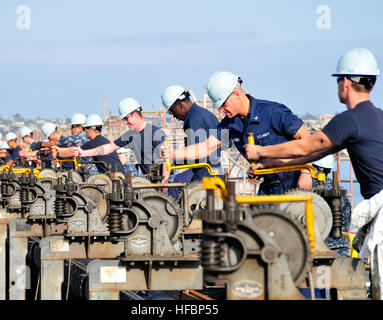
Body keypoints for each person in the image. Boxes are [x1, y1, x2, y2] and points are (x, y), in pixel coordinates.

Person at [244, 48, 383, 299]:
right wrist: (270, 165)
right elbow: (312, 155)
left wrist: (260, 151)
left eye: (338, 81)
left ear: (345, 83)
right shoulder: (377, 117)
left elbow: (305, 145)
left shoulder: (349, 120)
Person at [161, 71, 313, 195]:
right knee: (252, 227)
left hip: (295, 181)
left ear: (236, 94)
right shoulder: (229, 124)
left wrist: (306, 172)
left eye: (223, 104)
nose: (221, 110)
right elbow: (206, 148)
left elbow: (306, 138)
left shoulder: (272, 111)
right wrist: (172, 154)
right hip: (270, 185)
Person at [74, 99, 168, 182]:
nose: (125, 122)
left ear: (135, 115)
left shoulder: (155, 133)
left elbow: (167, 160)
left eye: (126, 119)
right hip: (149, 181)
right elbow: (108, 148)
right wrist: (83, 153)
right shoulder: (131, 135)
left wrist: (164, 184)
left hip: (161, 181)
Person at [161, 85, 223, 199]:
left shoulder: (195, 119)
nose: (174, 116)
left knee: (178, 192)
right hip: (215, 171)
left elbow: (198, 155)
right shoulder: (204, 113)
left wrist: (173, 158)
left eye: (172, 111)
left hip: (204, 174)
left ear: (180, 105)